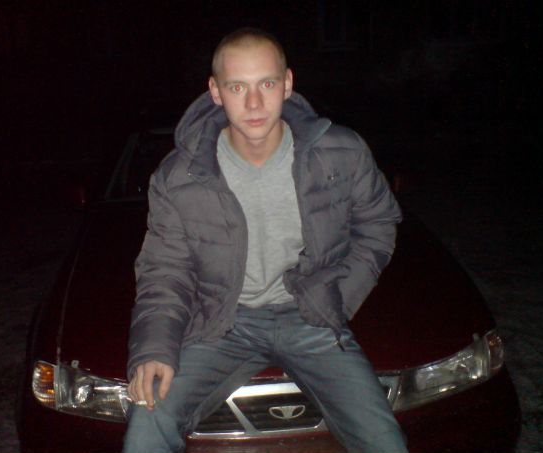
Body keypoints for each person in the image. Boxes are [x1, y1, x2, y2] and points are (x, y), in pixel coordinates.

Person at [124, 27, 407, 453]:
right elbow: (165, 270)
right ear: (215, 91)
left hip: (307, 317)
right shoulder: (179, 176)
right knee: (148, 419)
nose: (254, 103)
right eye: (238, 87)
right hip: (222, 322)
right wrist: (154, 349)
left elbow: (378, 223)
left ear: (288, 84)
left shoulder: (341, 152)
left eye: (267, 84)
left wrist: (338, 297)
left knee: (384, 440)